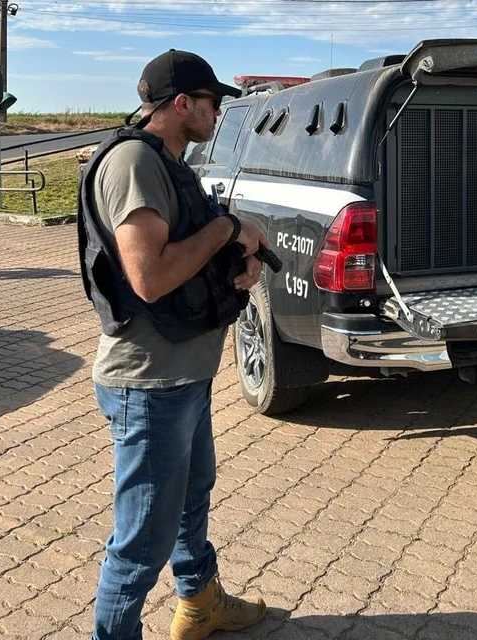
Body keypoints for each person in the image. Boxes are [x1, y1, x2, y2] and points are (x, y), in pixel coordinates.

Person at [75, 49, 271, 640]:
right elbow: (150, 277)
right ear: (182, 104)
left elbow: (186, 257)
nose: (218, 113)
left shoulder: (168, 162)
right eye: (212, 102)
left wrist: (238, 262)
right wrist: (226, 231)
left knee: (191, 501)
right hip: (150, 383)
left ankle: (199, 603)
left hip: (184, 373)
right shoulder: (134, 163)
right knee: (140, 543)